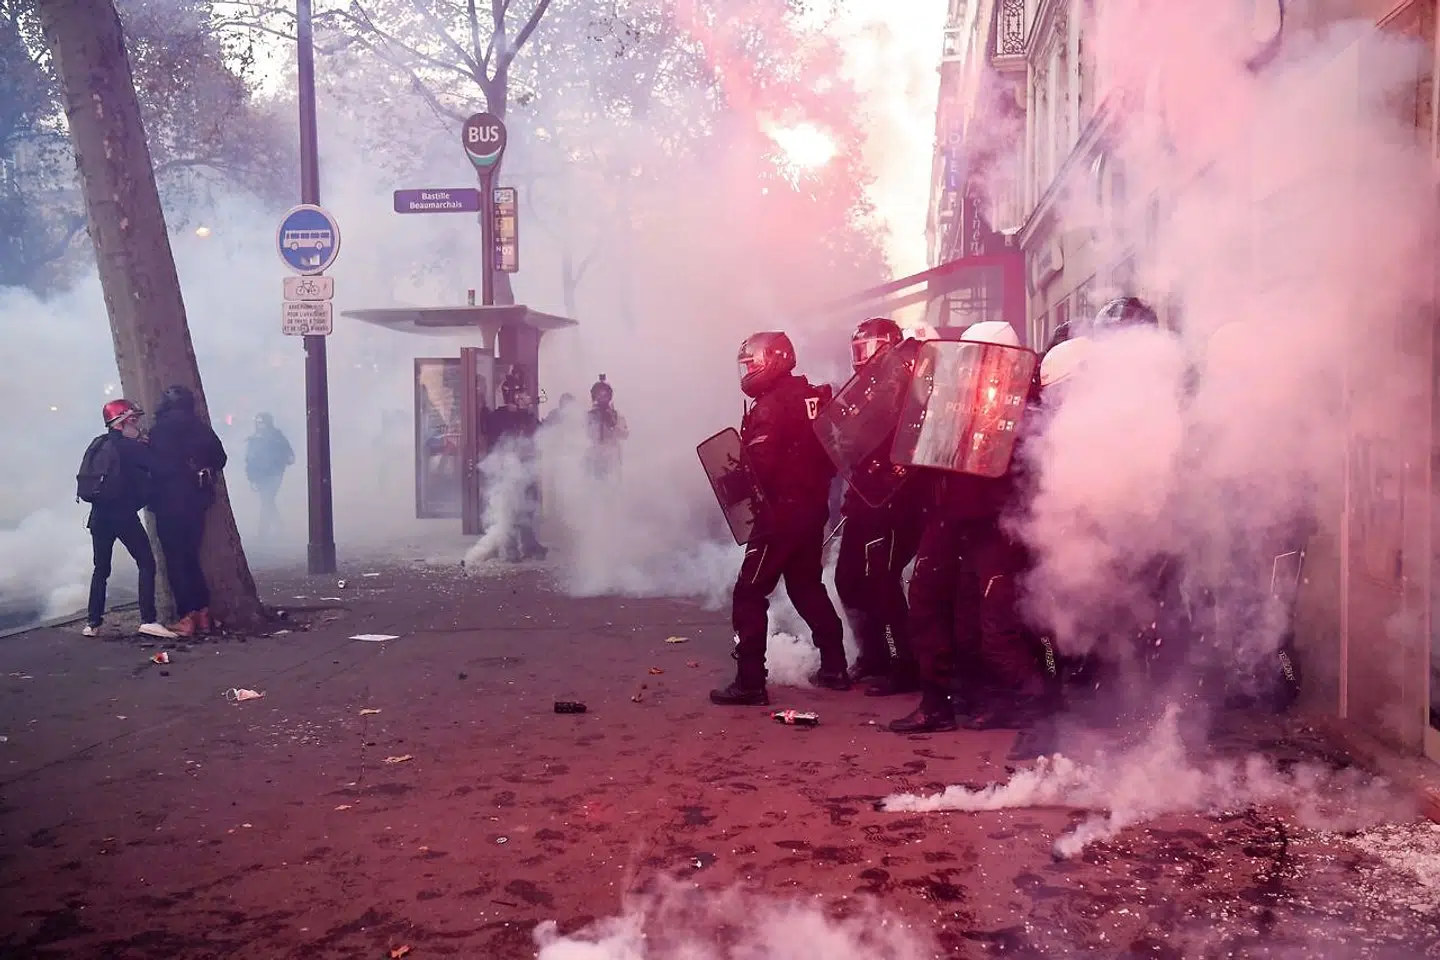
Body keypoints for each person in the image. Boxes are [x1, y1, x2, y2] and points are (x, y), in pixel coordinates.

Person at [890, 320, 1049, 734]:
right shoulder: (966, 401)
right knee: (946, 614)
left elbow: (1018, 477)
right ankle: (947, 703)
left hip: (994, 527)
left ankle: (1037, 711)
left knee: (992, 627)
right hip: (956, 520)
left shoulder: (1021, 409)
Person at [711, 331, 850, 706]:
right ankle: (835, 667)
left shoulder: (770, 406)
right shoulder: (811, 396)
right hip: (812, 508)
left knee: (749, 592)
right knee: (806, 587)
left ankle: (750, 683)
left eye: (752, 364)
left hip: (779, 516)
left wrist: (733, 482)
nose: (748, 372)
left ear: (773, 360)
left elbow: (761, 466)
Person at [832, 318, 925, 697]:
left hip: (893, 503)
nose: (859, 358)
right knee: (847, 579)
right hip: (864, 500)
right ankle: (872, 655)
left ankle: (901, 665)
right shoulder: (869, 389)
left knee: (881, 582)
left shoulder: (906, 385)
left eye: (865, 349)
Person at [76, 400, 177, 640]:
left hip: (98, 516)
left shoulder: (99, 443)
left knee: (101, 569)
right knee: (146, 562)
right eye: (133, 420)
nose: (138, 425)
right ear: (121, 423)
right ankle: (149, 620)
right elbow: (163, 467)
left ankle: (92, 623)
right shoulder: (130, 447)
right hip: (122, 515)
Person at [147, 384, 228, 637]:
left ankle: (186, 617)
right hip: (197, 502)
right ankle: (203, 613)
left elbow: (155, 467)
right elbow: (221, 459)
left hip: (168, 503)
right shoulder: (200, 429)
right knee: (192, 558)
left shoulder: (159, 431)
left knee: (176, 562)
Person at [483, 366, 547, 562]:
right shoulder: (499, 417)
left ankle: (529, 544)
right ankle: (509, 547)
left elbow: (538, 435)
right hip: (507, 469)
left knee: (528, 506)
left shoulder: (527, 416)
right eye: (522, 393)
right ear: (513, 395)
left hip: (527, 468)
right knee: (510, 508)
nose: (527, 397)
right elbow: (496, 442)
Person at [244, 413, 294, 540]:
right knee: (267, 501)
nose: (260, 425)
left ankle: (263, 532)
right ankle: (278, 525)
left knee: (267, 500)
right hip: (260, 475)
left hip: (274, 474)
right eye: (258, 422)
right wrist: (251, 477)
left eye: (262, 422)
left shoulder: (277, 437)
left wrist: (280, 461)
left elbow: (290, 455)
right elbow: (250, 460)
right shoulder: (254, 439)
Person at [585, 375, 629, 480]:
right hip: (594, 458)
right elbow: (582, 434)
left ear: (609, 396)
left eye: (604, 395)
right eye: (599, 395)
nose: (602, 398)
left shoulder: (616, 415)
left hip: (611, 458)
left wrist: (613, 424)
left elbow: (625, 434)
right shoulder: (589, 416)